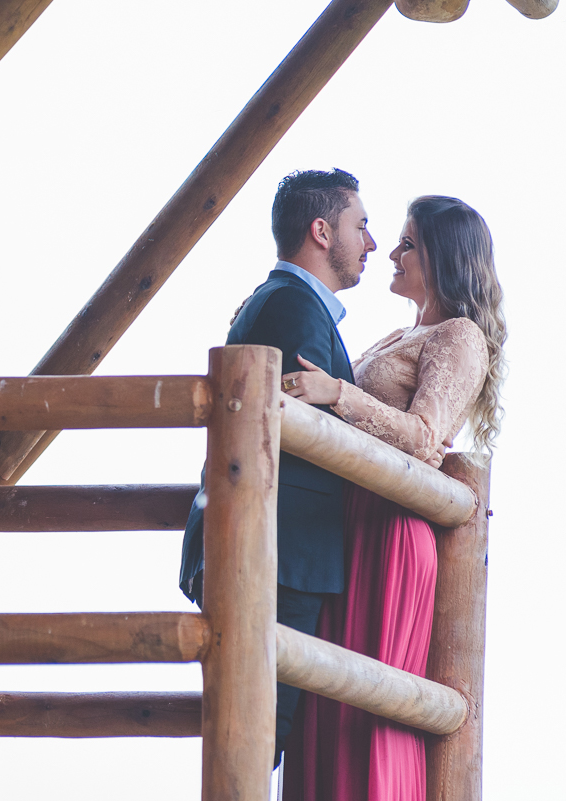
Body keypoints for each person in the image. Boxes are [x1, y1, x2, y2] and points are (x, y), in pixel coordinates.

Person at [279, 196, 506, 801]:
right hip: (350, 526)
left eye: (407, 243)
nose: (392, 252)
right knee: (328, 696)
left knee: (372, 707)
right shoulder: (399, 334)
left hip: (393, 530)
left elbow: (427, 440)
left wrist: (338, 395)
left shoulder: (460, 338)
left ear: (440, 257)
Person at [178, 167, 376, 766]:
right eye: (360, 226)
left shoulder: (282, 302)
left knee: (257, 731)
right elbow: (321, 431)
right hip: (278, 552)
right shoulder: (293, 310)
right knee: (258, 733)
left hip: (274, 547)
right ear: (321, 231)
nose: (370, 242)